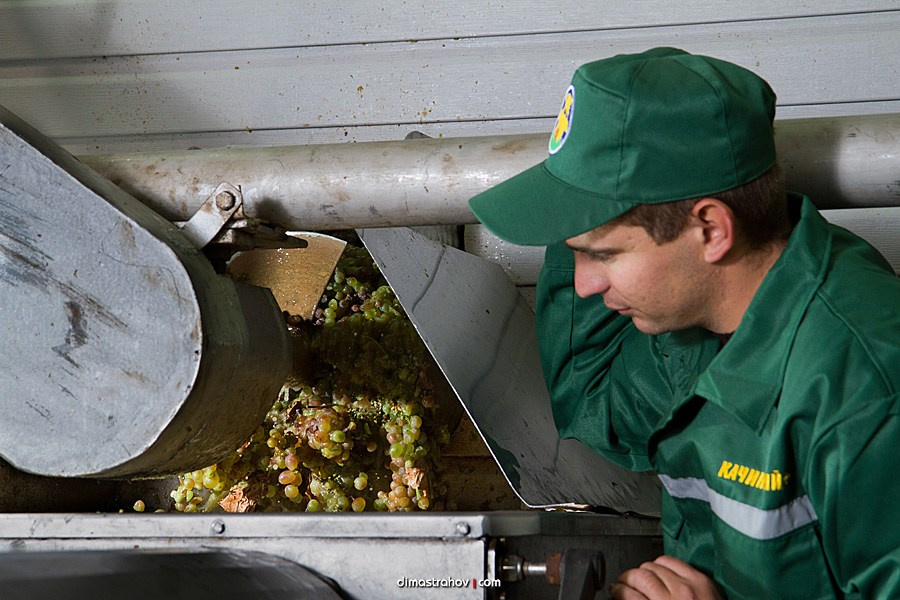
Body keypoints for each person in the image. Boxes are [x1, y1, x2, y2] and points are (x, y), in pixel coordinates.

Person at [468, 47, 900, 599]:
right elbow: (592, 399)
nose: (580, 286)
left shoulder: (868, 392)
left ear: (711, 231)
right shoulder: (696, 326)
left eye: (603, 252)